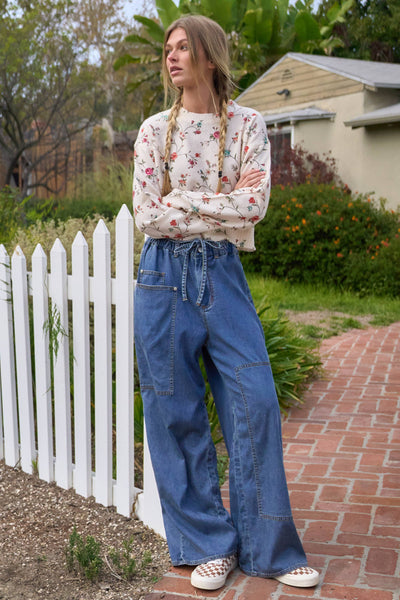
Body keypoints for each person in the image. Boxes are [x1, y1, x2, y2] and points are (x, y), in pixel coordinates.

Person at [132, 14, 320, 592]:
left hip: (222, 273)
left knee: (255, 400)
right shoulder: (153, 131)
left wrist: (184, 199)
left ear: (210, 56)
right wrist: (215, 205)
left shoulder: (247, 126)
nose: (171, 57)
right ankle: (207, 544)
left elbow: (253, 204)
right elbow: (147, 213)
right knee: (174, 410)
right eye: (168, 49)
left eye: (183, 47)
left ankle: (269, 549)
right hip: (163, 277)